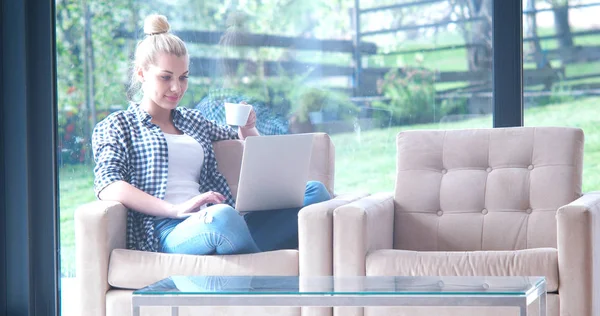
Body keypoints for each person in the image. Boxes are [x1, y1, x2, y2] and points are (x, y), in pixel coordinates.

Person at [91, 14, 331, 255]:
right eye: (166, 77)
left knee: (314, 191)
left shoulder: (194, 120)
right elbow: (108, 184)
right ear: (141, 74)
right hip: (168, 228)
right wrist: (175, 209)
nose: (177, 88)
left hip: (217, 218)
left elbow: (247, 145)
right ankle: (260, 260)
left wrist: (247, 128)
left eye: (183, 77)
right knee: (223, 217)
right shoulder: (118, 125)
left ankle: (243, 255)